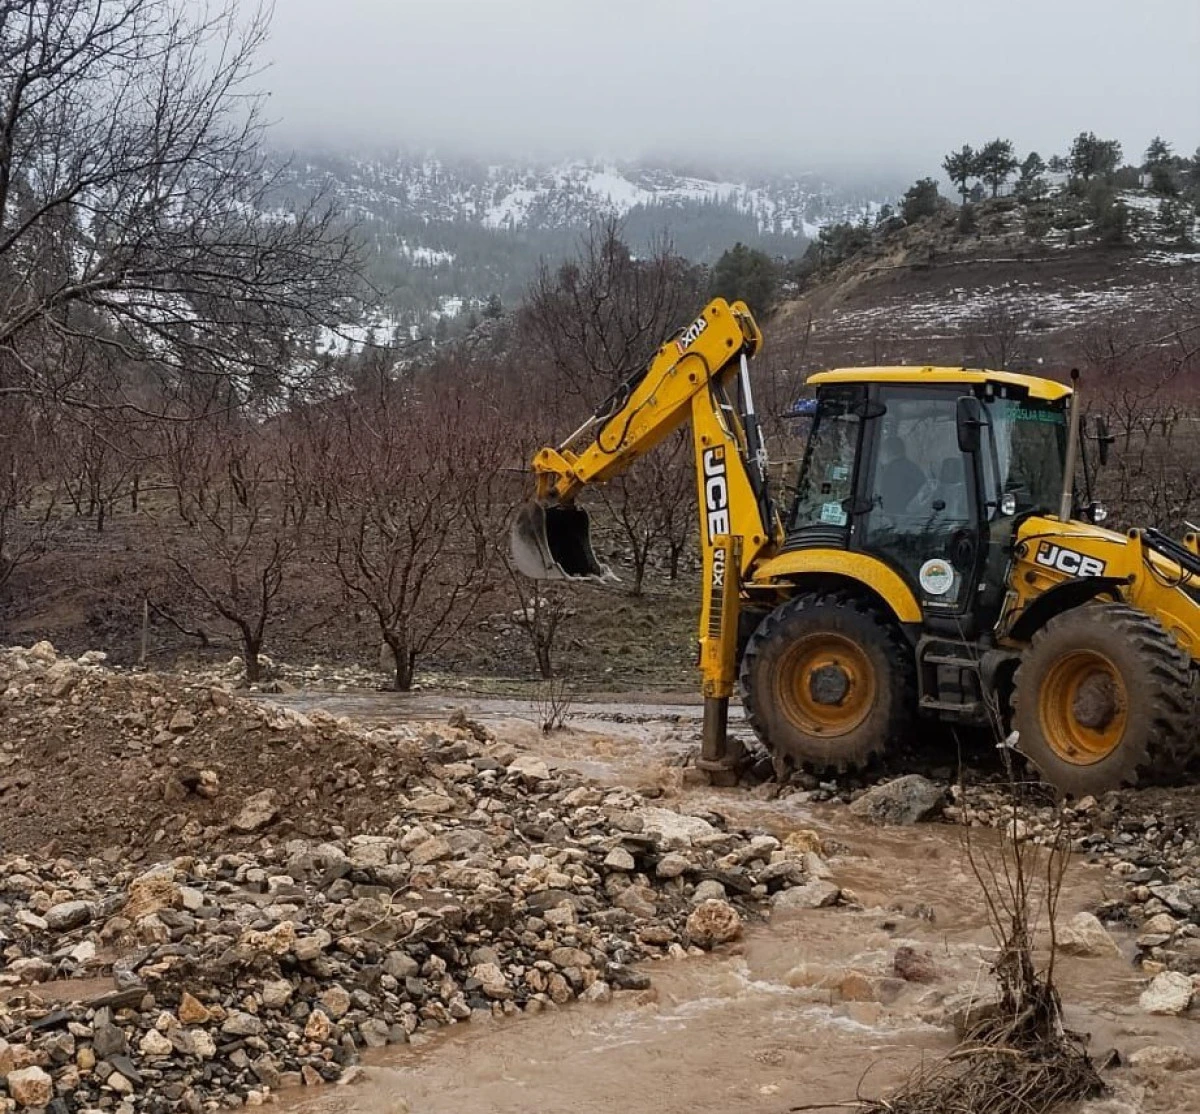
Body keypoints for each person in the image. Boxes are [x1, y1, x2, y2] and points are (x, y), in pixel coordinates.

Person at [877, 434, 926, 513]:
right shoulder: (914, 468)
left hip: (898, 518)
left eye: (881, 451)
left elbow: (890, 501)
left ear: (887, 452)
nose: (879, 456)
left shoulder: (892, 471)